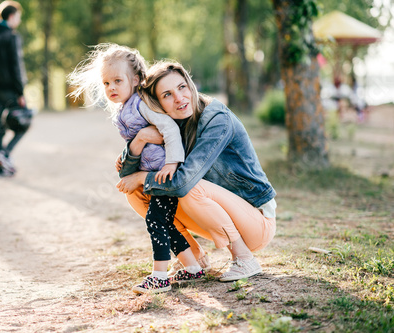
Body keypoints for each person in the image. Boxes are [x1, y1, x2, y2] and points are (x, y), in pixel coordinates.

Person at [116, 61, 277, 282]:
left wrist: (141, 177)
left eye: (182, 87)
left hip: (256, 222)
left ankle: (244, 258)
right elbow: (126, 177)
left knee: (188, 188)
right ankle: (192, 259)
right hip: (221, 214)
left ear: (190, 84)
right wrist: (140, 140)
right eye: (168, 95)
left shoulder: (217, 120)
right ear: (157, 104)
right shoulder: (173, 125)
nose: (180, 98)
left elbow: (182, 183)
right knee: (137, 192)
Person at [68, 44, 208, 294]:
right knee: (166, 222)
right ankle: (192, 268)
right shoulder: (124, 108)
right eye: (106, 83)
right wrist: (125, 157)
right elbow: (135, 141)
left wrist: (172, 163)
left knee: (156, 220)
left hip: (164, 174)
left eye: (117, 81)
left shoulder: (141, 103)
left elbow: (169, 128)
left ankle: (160, 276)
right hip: (154, 174)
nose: (111, 88)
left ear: (134, 80)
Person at [0, 1, 27, 178]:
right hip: (10, 89)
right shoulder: (11, 36)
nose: (19, 19)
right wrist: (20, 92)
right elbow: (15, 67)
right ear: (11, 16)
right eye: (18, 16)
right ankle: (5, 154)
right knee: (24, 122)